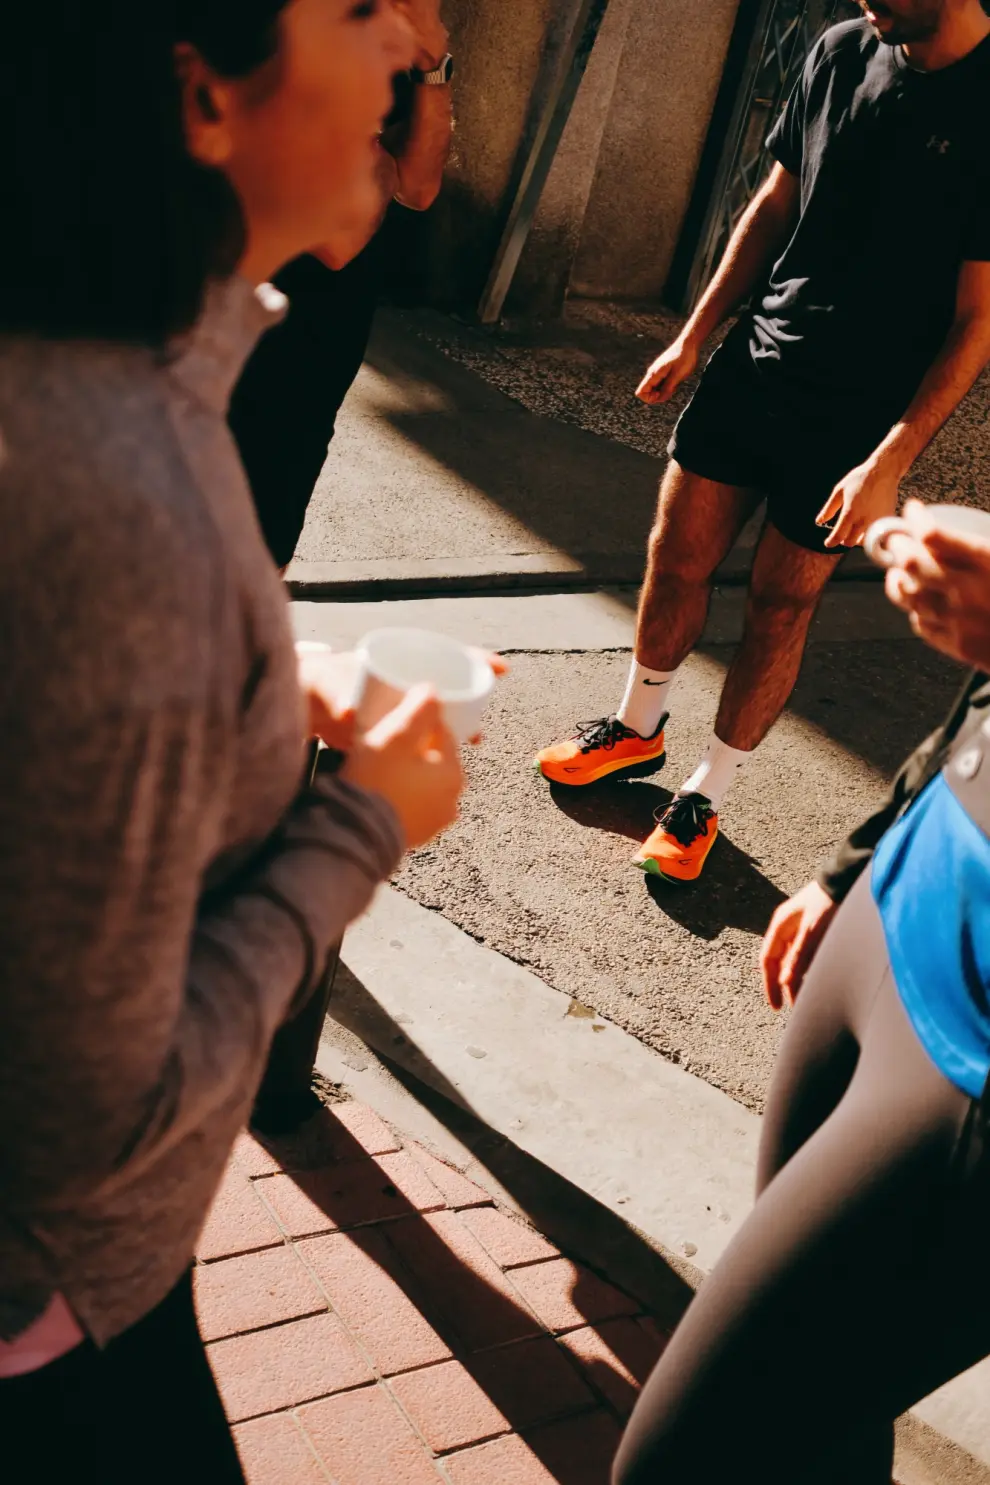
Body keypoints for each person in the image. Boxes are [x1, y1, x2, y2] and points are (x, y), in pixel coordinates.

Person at [0, 4, 467, 1479]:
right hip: (64, 1320)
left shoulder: (80, 373)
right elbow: (88, 1128)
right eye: (354, 12)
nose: (405, 46)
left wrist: (258, 679)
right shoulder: (133, 499)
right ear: (202, 97)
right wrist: (368, 816)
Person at [536, 0, 990, 886]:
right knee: (675, 554)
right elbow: (774, 202)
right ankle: (637, 728)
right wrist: (694, 333)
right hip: (757, 361)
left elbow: (976, 323)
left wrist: (890, 460)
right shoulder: (839, 51)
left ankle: (708, 789)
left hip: (861, 414)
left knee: (782, 604)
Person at [612, 497, 990, 1483]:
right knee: (818, 1418)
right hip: (894, 907)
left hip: (968, 1071)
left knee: (680, 1465)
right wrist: (853, 864)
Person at [229, 0, 453, 571]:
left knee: (267, 538)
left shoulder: (400, 23)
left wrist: (433, 66)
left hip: (322, 340)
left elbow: (420, 187)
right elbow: (338, 234)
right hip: (243, 311)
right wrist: (371, 151)